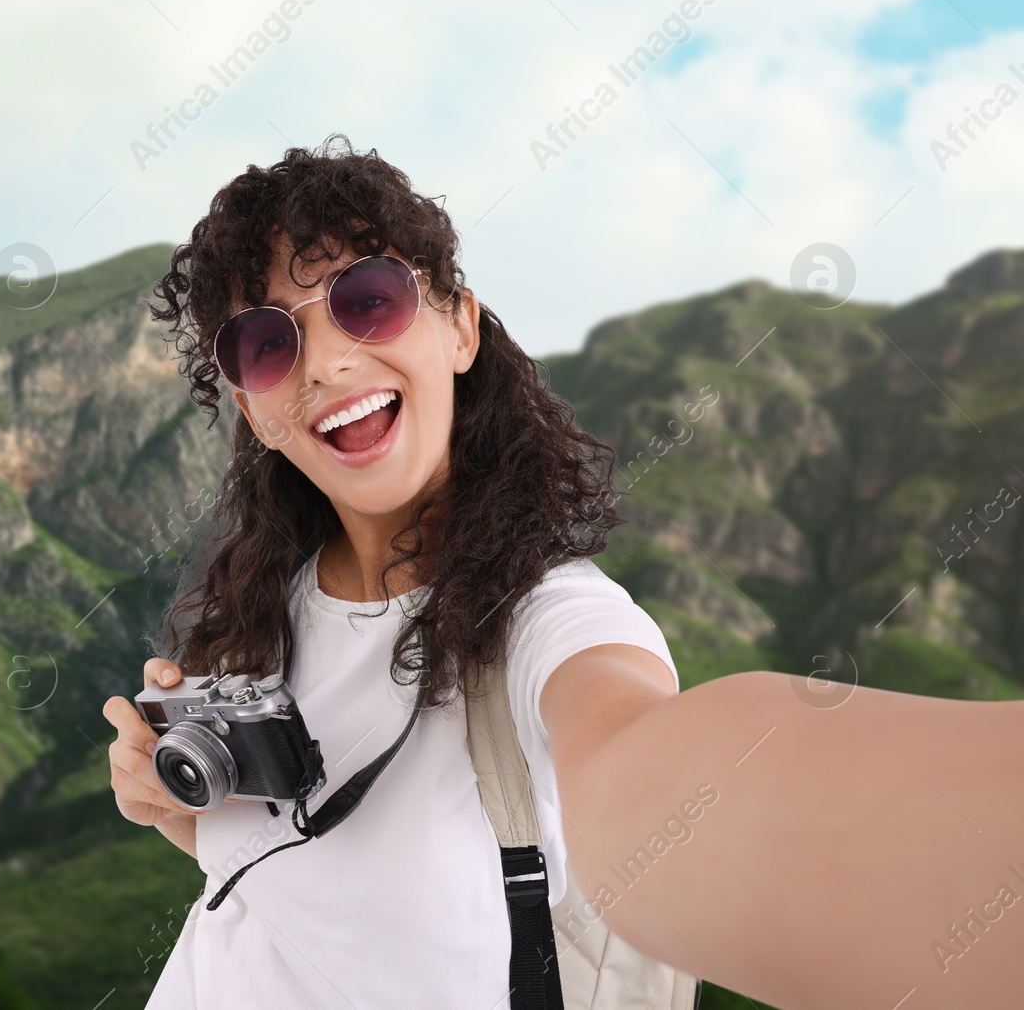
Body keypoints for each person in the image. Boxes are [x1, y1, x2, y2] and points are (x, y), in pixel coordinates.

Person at [101, 134, 1023, 1009]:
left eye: (366, 298)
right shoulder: (270, 607)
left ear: (459, 328)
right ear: (253, 410)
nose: (330, 360)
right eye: (268, 343)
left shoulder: (557, 624)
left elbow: (647, 781)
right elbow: (301, 902)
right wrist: (185, 808)